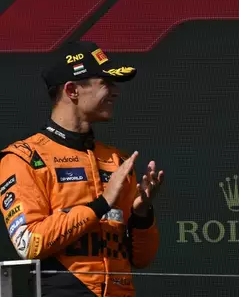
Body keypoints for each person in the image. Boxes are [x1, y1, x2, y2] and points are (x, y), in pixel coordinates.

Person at [0, 41, 164, 296]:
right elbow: (30, 242)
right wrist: (102, 203)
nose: (115, 92)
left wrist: (142, 215)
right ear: (72, 90)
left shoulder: (117, 160)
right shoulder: (24, 157)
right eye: (105, 83)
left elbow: (141, 259)